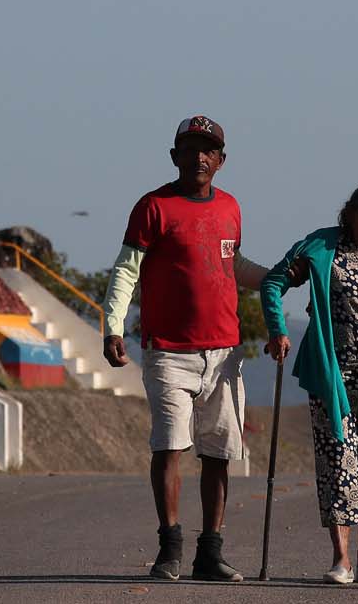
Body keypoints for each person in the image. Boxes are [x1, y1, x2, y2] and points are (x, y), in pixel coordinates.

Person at [101, 115, 270, 582]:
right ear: (174, 156)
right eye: (190, 148)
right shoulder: (153, 207)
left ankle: (209, 552)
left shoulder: (231, 207)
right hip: (168, 350)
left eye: (208, 149)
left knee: (218, 452)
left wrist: (276, 277)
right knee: (170, 444)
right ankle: (169, 547)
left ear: (221, 160)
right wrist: (113, 327)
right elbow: (126, 271)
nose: (199, 156)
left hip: (224, 352)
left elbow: (232, 263)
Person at [260, 184, 358, 586]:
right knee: (339, 461)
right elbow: (274, 282)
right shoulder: (322, 247)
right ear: (349, 215)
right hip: (333, 374)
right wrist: (278, 328)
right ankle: (341, 558)